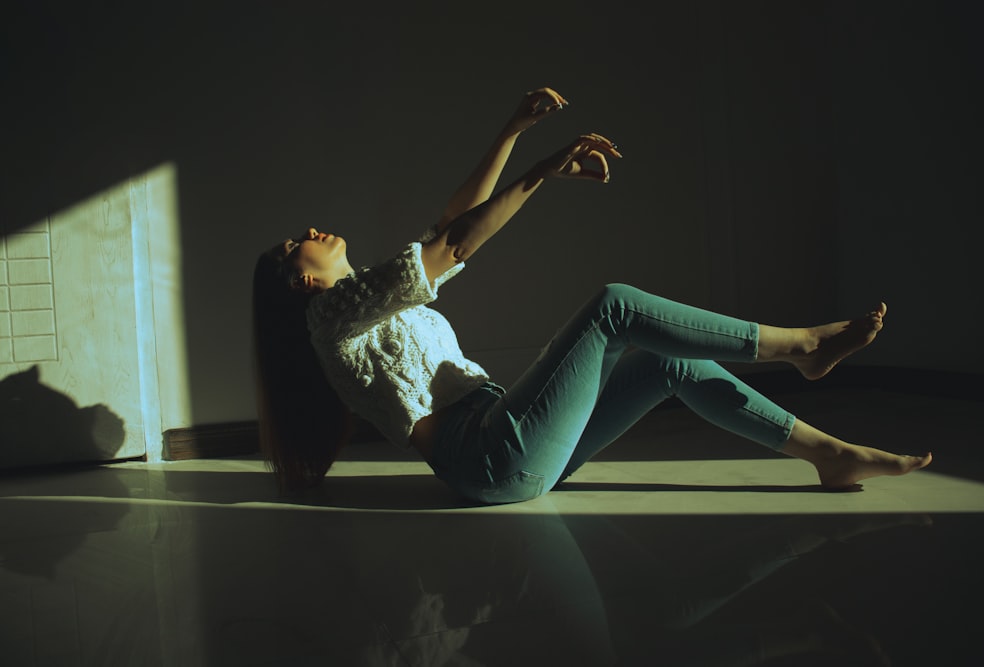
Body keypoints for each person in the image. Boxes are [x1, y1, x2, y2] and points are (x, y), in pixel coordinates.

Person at [251, 86, 932, 499]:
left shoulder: (362, 302)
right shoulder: (327, 318)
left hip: (505, 438)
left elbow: (449, 224)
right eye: (293, 243)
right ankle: (802, 346)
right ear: (303, 280)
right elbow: (455, 245)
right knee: (616, 305)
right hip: (488, 453)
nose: (308, 231)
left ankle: (829, 456)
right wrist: (543, 170)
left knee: (663, 361)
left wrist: (513, 133)